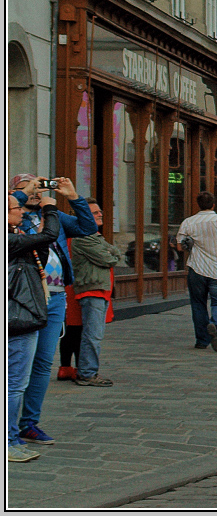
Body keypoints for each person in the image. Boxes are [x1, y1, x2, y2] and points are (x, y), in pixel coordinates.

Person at [12, 174, 96, 448]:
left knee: (42, 363)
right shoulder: (13, 220)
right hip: (25, 299)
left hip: (56, 297)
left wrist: (73, 197)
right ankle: (10, 428)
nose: (37, 192)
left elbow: (88, 227)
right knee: (17, 368)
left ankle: (29, 424)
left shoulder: (54, 215)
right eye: (29, 187)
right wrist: (23, 196)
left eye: (40, 186)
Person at [8, 193, 59, 463]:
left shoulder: (16, 237)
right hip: (17, 318)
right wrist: (50, 209)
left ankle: (12, 436)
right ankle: (7, 440)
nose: (21, 213)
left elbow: (40, 248)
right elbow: (49, 236)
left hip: (20, 315)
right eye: (17, 209)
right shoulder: (9, 240)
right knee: (15, 384)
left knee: (16, 382)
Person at [177, 192, 217, 354]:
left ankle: (202, 340)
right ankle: (216, 326)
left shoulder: (188, 222)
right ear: (213, 205)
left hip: (197, 269)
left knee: (198, 304)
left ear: (198, 204)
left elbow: (179, 246)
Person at [68, 201, 119, 386]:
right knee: (92, 335)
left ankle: (87, 371)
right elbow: (108, 258)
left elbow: (115, 253)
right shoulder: (83, 237)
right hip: (91, 290)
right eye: (94, 212)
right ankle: (87, 373)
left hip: (99, 290)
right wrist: (110, 254)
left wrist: (110, 254)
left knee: (94, 334)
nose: (100, 214)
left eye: (100, 211)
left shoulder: (95, 236)